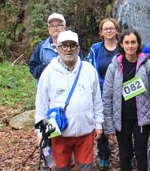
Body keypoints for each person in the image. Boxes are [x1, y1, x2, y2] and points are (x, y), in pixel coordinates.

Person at [35, 30, 104, 171]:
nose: (68, 49)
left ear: (78, 48)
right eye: (64, 45)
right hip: (59, 133)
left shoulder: (89, 70)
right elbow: (41, 104)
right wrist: (40, 132)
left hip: (85, 132)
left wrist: (99, 124)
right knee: (61, 168)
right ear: (57, 48)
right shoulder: (48, 73)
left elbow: (97, 99)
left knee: (86, 167)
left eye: (72, 45)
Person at [102, 29, 150, 171]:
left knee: (141, 154)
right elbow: (107, 96)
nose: (130, 46)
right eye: (126, 42)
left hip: (142, 118)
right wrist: (108, 125)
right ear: (121, 44)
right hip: (121, 119)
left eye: (133, 42)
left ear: (138, 43)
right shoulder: (114, 67)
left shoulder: (148, 65)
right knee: (125, 154)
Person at [87, 18, 120, 170]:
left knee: (124, 123)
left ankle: (128, 153)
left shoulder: (124, 47)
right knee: (102, 121)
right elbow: (90, 69)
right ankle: (104, 155)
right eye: (105, 28)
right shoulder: (95, 49)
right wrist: (104, 85)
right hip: (100, 92)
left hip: (121, 92)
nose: (108, 30)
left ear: (116, 30)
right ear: (101, 32)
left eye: (111, 28)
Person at [29, 13, 67, 81]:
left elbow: (79, 66)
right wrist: (48, 67)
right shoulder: (40, 47)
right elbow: (33, 68)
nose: (56, 28)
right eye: (52, 26)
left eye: (59, 25)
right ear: (48, 29)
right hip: (46, 89)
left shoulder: (72, 46)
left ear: (64, 27)